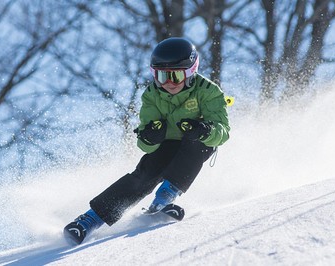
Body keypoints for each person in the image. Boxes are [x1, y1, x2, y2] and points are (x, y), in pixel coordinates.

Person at [63, 37, 230, 245]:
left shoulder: (208, 91)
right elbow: (144, 143)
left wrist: (204, 130)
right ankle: (89, 220)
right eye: (161, 76)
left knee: (198, 145)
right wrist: (150, 136)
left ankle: (164, 198)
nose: (168, 83)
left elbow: (223, 132)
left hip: (197, 142)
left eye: (176, 76)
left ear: (190, 72)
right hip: (167, 144)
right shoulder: (152, 94)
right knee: (145, 173)